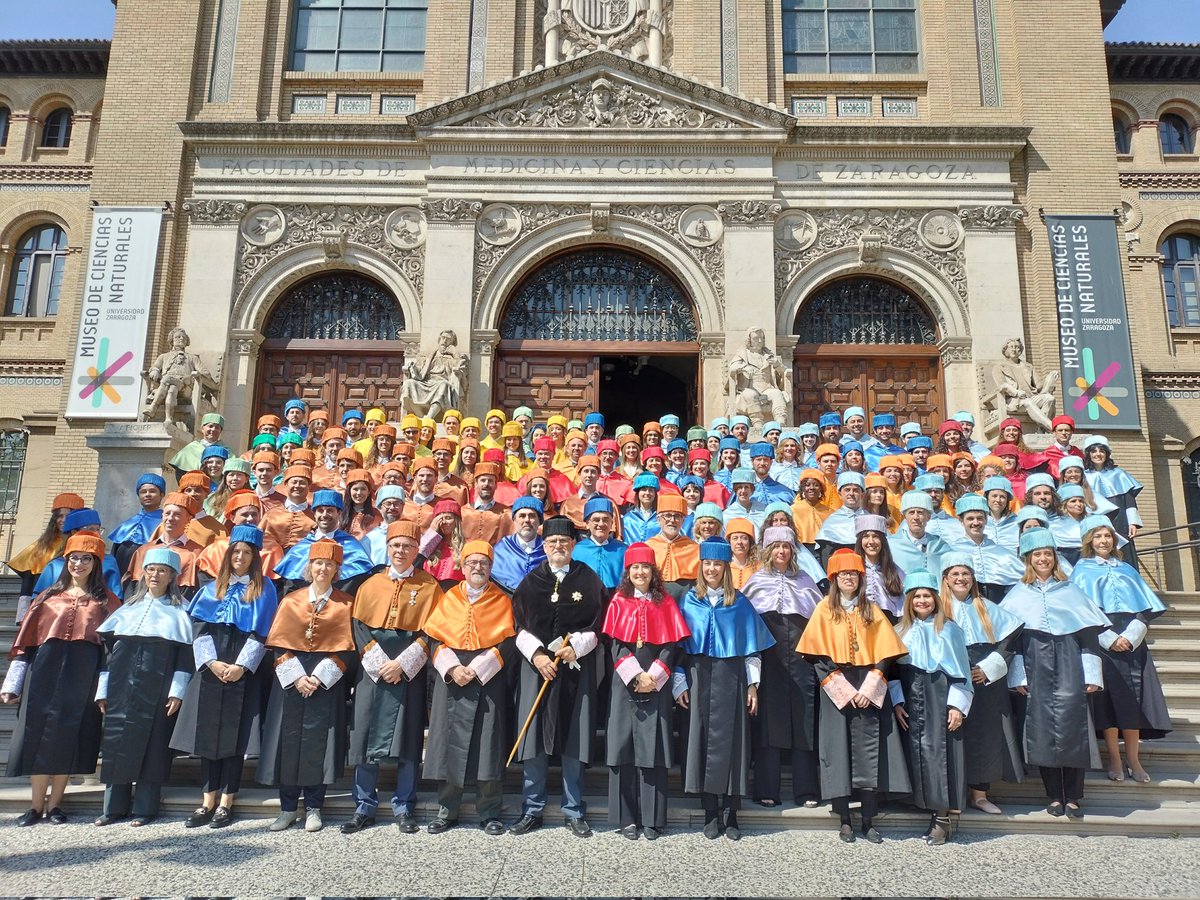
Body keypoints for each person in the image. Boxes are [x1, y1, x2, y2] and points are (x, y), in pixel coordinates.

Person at [2, 532, 118, 826]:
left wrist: (104, 689)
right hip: (44, 670)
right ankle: (35, 806)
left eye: (86, 558)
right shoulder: (47, 598)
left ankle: (55, 805)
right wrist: (12, 683)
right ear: (66, 561)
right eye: (74, 558)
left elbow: (111, 650)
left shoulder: (105, 602)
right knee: (38, 733)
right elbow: (25, 643)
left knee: (70, 736)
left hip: (83, 673)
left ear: (96, 563)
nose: (79, 564)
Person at [797, 549, 910, 844]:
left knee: (869, 752)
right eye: (843, 574)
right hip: (836, 685)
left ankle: (869, 819)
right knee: (838, 752)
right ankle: (844, 819)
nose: (849, 578)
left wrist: (870, 687)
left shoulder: (872, 610)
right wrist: (843, 689)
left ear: (861, 578)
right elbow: (817, 657)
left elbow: (885, 655)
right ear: (834, 579)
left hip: (869, 684)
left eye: (854, 574)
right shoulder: (823, 609)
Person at [172, 525, 279, 829]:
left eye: (247, 553)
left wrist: (242, 666)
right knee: (208, 736)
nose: (240, 557)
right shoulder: (210, 590)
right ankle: (206, 800)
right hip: (212, 668)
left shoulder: (265, 588)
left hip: (243, 669)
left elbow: (263, 632)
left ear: (254, 558)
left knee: (235, 738)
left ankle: (226, 802)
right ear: (228, 554)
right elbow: (200, 630)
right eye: (236, 552)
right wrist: (212, 663)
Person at [342, 521, 443, 836]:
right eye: (396, 545)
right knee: (366, 737)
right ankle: (364, 805)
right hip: (372, 671)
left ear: (417, 550)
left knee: (408, 739)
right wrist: (378, 662)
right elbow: (359, 626)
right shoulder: (370, 585)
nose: (401, 551)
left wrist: (403, 663)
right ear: (388, 548)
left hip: (407, 671)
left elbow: (432, 631)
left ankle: (404, 805)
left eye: (407, 546)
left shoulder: (430, 586)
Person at [509, 516, 607, 838]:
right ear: (544, 545)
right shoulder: (530, 582)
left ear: (573, 545)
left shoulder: (589, 580)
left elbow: (598, 625)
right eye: (552, 543)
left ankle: (574, 809)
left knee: (574, 739)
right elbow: (519, 627)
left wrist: (576, 647)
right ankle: (532, 808)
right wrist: (537, 656)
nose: (558, 547)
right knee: (533, 739)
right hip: (536, 671)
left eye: (564, 542)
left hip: (575, 673)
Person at [1002, 529, 1109, 819]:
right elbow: (1012, 641)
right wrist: (1017, 677)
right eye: (1037, 554)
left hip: (1070, 663)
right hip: (1035, 665)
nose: (1043, 558)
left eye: (1047, 554)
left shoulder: (1071, 590)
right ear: (1029, 559)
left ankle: (1073, 796)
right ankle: (1053, 795)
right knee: (1042, 732)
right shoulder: (1018, 593)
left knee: (1074, 728)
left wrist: (1091, 676)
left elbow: (1088, 637)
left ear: (1055, 558)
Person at [674, 538, 774, 840]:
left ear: (725, 568)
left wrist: (753, 685)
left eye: (718, 564)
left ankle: (732, 814)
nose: (712, 568)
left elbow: (752, 648)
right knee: (700, 740)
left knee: (734, 744)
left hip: (732, 677)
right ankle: (709, 812)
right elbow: (677, 647)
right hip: (697, 676)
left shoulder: (739, 602)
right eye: (707, 563)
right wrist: (679, 681)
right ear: (700, 566)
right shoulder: (688, 600)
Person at [259, 540, 357, 833]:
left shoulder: (346, 603)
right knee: (287, 744)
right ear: (309, 567)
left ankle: (314, 807)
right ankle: (287, 808)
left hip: (325, 682)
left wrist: (320, 677)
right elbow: (277, 645)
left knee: (319, 745)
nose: (323, 569)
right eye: (318, 563)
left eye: (329, 564)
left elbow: (350, 649)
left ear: (337, 569)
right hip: (291, 682)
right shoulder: (291, 600)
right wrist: (298, 677)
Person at [93, 548, 194, 827]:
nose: (155, 575)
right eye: (151, 569)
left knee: (153, 748)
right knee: (116, 742)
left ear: (172, 575)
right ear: (143, 572)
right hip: (121, 687)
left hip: (159, 689)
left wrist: (177, 691)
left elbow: (185, 659)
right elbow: (108, 656)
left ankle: (145, 809)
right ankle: (113, 808)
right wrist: (103, 690)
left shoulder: (181, 611)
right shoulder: (126, 610)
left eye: (162, 570)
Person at [422, 541, 516, 835]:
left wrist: (476, 669)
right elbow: (434, 638)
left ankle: (489, 811)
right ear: (462, 567)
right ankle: (446, 810)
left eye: (484, 563)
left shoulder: (502, 600)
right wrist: (452, 668)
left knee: (488, 746)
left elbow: (508, 642)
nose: (478, 568)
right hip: (451, 678)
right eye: (472, 563)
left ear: (491, 567)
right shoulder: (448, 598)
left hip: (487, 678)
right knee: (448, 743)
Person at [1069, 516, 1170, 783]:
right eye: (1098, 536)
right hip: (1102, 639)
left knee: (1133, 700)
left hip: (1133, 640)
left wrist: (1133, 633)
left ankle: (1134, 759)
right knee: (1108, 703)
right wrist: (1108, 637)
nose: (1104, 541)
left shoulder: (1127, 568)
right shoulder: (1081, 570)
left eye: (1108, 536)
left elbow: (1144, 608)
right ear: (1090, 540)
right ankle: (1114, 757)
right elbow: (1080, 611)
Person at [602, 544, 691, 840]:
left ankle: (653, 819)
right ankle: (626, 818)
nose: (640, 573)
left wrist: (653, 676)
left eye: (646, 568)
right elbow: (615, 645)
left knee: (653, 750)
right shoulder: (618, 601)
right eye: (635, 568)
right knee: (623, 748)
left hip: (657, 684)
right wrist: (635, 676)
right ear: (628, 573)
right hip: (624, 683)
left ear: (654, 572)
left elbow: (671, 646)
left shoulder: (665, 603)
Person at [889, 570, 973, 845]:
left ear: (935, 599)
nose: (922, 601)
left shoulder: (950, 629)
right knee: (917, 754)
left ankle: (942, 818)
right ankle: (923, 806)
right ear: (909, 601)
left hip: (941, 698)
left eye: (927, 596)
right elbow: (892, 671)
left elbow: (962, 673)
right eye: (917, 597)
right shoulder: (899, 630)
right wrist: (897, 701)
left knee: (940, 758)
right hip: (912, 698)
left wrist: (956, 707)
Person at [742, 526, 823, 809]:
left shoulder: (806, 581)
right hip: (769, 658)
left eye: (786, 547)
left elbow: (818, 622)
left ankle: (807, 790)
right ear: (767, 550)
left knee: (804, 721)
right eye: (776, 546)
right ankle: (766, 788)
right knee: (767, 722)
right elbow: (746, 625)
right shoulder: (756, 581)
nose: (781, 551)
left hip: (801, 659)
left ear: (793, 551)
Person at [939, 552, 1024, 816]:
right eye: (955, 574)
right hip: (948, 674)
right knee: (950, 732)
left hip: (982, 675)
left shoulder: (986, 607)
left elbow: (1009, 639)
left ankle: (979, 794)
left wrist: (989, 667)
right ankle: (951, 795)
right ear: (946, 579)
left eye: (965, 574)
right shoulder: (937, 607)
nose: (961, 578)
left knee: (983, 734)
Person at [5, 492, 84, 624]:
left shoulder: (81, 542)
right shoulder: (42, 545)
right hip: (40, 605)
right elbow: (28, 580)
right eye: (59, 516)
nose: (63, 520)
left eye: (68, 516)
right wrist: (23, 614)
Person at [950, 494, 1026, 601]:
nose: (976, 523)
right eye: (970, 519)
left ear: (986, 520)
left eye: (980, 518)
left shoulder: (1002, 552)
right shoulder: (953, 551)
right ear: (961, 521)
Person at [1083, 435, 1143, 563]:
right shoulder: (1083, 476)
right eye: (1094, 451)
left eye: (1102, 451)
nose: (1098, 454)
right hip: (1094, 519)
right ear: (1088, 454)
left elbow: (1129, 499)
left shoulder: (1119, 474)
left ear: (1107, 454)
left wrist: (1132, 522)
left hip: (1119, 520)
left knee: (1124, 555)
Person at [108, 475, 166, 578]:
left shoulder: (165, 524)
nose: (147, 495)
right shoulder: (127, 524)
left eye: (152, 491)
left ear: (162, 494)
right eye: (143, 492)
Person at [491, 497, 548, 594]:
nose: (527, 520)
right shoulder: (501, 549)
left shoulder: (548, 549)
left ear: (539, 521)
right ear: (514, 520)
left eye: (532, 516)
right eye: (522, 516)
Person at [855, 515, 905, 622]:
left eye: (876, 536)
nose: (871, 541)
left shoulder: (895, 571)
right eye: (866, 536)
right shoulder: (853, 570)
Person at [571, 496, 627, 590]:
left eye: (605, 520)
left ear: (611, 523)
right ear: (587, 524)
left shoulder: (623, 550)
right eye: (596, 520)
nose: (601, 524)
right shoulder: (576, 551)